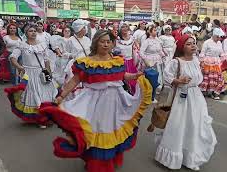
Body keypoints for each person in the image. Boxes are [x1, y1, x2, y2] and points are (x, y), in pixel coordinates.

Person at [39, 30, 152, 172]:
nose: (106, 44)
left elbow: (123, 76)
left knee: (112, 129)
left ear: (112, 44)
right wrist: (62, 95)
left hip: (115, 101)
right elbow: (75, 80)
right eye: (102, 41)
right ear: (96, 42)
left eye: (108, 41)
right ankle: (98, 164)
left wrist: (135, 75)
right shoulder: (86, 62)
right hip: (94, 102)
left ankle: (109, 158)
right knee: (98, 129)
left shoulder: (117, 60)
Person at [155, 34, 217, 171]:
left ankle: (191, 158)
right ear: (182, 47)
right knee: (178, 125)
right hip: (180, 99)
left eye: (194, 43)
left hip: (196, 98)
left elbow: (198, 78)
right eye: (189, 44)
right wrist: (178, 81)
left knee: (195, 126)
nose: (193, 45)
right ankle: (173, 156)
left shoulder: (196, 60)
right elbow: (166, 77)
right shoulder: (176, 62)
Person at [4, 25, 58, 129]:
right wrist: (20, 67)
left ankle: (44, 117)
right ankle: (38, 118)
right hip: (29, 74)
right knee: (34, 95)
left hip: (41, 73)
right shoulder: (22, 45)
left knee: (45, 95)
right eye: (30, 31)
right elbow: (13, 57)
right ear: (26, 33)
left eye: (34, 31)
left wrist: (48, 71)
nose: (33, 33)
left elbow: (46, 60)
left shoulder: (43, 45)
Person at [199, 28, 226, 100]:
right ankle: (208, 92)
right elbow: (203, 53)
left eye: (220, 37)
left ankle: (215, 92)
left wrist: (223, 58)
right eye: (217, 37)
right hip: (208, 61)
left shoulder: (219, 43)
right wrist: (202, 62)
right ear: (213, 35)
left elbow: (221, 52)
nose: (219, 38)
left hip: (216, 62)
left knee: (218, 78)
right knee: (209, 78)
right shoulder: (207, 42)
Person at [139, 24, 167, 94]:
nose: (156, 32)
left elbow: (159, 50)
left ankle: (156, 90)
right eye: (154, 30)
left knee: (158, 75)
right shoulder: (147, 41)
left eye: (156, 30)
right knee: (150, 77)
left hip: (158, 61)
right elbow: (141, 52)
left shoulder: (158, 40)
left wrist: (163, 55)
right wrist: (145, 60)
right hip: (150, 62)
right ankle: (149, 92)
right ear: (150, 32)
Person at [64, 19, 91, 84]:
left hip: (87, 65)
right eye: (84, 28)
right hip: (75, 67)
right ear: (79, 29)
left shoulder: (87, 39)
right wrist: (72, 55)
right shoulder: (71, 40)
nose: (86, 29)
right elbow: (65, 53)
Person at [116, 22, 139, 94]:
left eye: (126, 26)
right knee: (121, 83)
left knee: (132, 82)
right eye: (123, 27)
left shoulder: (132, 39)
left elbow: (136, 49)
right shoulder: (116, 39)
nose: (125, 28)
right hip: (120, 64)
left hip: (130, 63)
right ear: (120, 29)